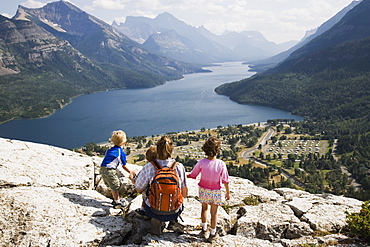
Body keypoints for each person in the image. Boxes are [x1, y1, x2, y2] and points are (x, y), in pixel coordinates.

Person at [134, 136, 188, 235]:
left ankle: (156, 226)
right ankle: (173, 221)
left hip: (153, 210)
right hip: (175, 210)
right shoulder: (179, 167)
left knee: (147, 192)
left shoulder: (149, 166)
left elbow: (138, 189)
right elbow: (184, 194)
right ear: (171, 149)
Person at [187, 136, 230, 243]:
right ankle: (212, 233)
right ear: (218, 150)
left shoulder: (201, 162)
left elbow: (193, 175)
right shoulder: (221, 164)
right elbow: (225, 180)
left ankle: (204, 229)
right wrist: (228, 192)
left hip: (203, 190)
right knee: (214, 213)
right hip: (216, 191)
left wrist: (185, 175)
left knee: (204, 209)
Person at [100, 130, 135, 209]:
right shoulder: (121, 152)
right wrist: (130, 172)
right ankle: (117, 202)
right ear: (124, 143)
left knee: (112, 185)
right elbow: (123, 165)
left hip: (102, 169)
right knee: (116, 186)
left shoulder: (109, 150)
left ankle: (116, 199)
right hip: (110, 170)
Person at [129, 145, 157, 218]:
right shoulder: (171, 165)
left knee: (146, 189)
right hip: (173, 208)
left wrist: (132, 178)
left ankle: (143, 210)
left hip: (153, 207)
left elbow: (139, 189)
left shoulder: (148, 167)